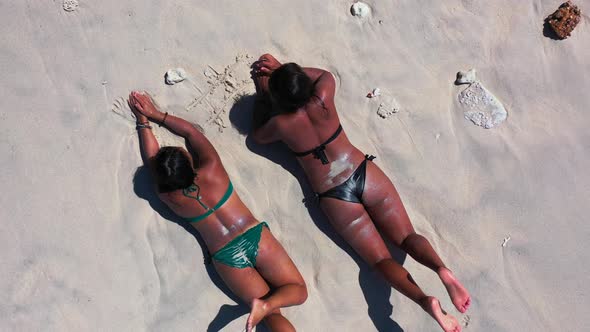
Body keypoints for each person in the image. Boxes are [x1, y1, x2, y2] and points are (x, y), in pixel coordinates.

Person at [250, 55, 470, 332]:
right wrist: (286, 71)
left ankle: (425, 301)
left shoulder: (281, 124)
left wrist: (264, 94)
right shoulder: (323, 97)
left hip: (334, 194)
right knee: (406, 237)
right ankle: (441, 270)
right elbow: (324, 75)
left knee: (380, 260)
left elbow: (257, 136)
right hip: (363, 173)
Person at [127, 91, 307, 332]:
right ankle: (264, 305)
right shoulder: (213, 169)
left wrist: (143, 122)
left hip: (226, 257)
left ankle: (265, 307)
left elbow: (151, 163)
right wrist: (155, 114)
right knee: (298, 290)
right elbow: (191, 132)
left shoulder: (170, 196)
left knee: (273, 316)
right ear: (189, 163)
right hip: (254, 235)